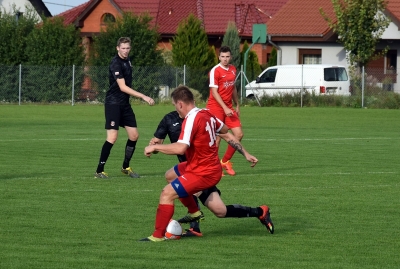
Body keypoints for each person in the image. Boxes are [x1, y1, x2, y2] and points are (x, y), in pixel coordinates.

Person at [140, 86, 273, 242]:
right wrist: (246, 153)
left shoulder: (191, 119)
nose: (177, 111)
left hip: (204, 172)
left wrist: (155, 146)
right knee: (172, 176)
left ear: (180, 104)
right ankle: (196, 212)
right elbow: (224, 130)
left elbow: (181, 148)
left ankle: (157, 236)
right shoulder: (207, 114)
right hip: (197, 166)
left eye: (176, 106)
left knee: (167, 193)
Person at [94, 37, 155, 179]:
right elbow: (122, 87)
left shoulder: (128, 60)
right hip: (113, 103)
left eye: (128, 48)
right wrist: (143, 96)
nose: (126, 51)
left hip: (125, 104)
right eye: (123, 48)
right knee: (112, 137)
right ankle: (99, 170)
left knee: (134, 136)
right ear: (117, 48)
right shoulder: (115, 63)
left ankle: (125, 167)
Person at [149, 110, 203, 236]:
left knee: (220, 210)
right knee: (170, 177)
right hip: (186, 166)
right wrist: (154, 146)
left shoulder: (199, 117)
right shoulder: (169, 118)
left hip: (202, 167)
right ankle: (195, 221)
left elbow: (223, 134)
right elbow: (158, 142)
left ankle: (258, 212)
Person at [206, 45, 243, 176]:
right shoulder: (215, 71)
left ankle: (225, 161)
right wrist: (225, 107)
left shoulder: (233, 69)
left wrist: (237, 104)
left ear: (231, 57)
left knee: (238, 134)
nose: (225, 59)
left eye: (227, 57)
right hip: (215, 107)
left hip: (228, 107)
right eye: (222, 57)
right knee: (217, 138)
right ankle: (215, 168)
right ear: (219, 57)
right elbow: (214, 92)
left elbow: (232, 88)